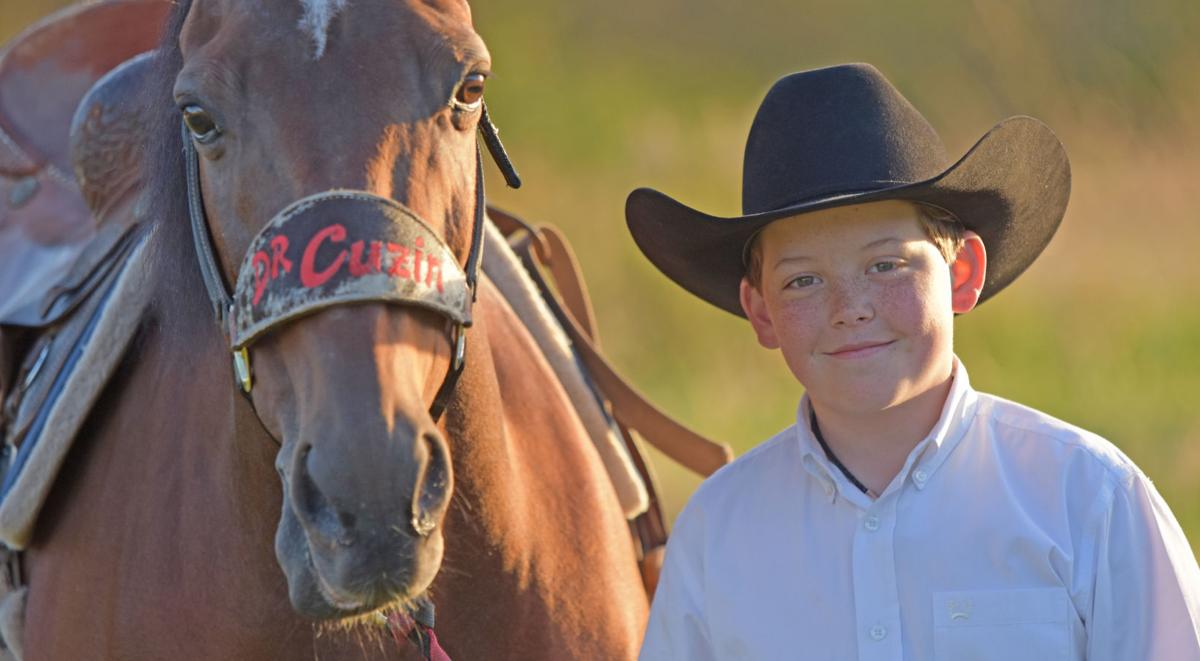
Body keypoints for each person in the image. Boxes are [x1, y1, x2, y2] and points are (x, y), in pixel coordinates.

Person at [627, 63, 1200, 660]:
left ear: (961, 274)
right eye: (803, 280)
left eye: (886, 265)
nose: (850, 309)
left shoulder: (1089, 499)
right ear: (762, 311)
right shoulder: (718, 535)